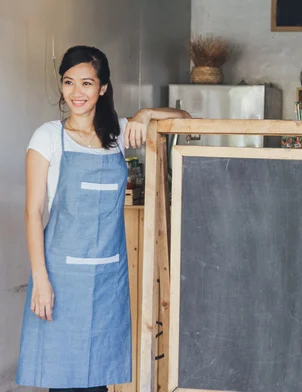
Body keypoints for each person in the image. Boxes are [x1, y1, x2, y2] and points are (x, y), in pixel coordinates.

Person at [16, 45, 190, 391]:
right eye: (69, 83)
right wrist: (41, 281)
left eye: (87, 83)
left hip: (108, 276)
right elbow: (33, 212)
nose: (76, 93)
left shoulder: (119, 134)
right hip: (61, 277)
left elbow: (186, 120)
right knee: (64, 378)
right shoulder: (48, 137)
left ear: (103, 88)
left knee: (98, 378)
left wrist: (145, 113)